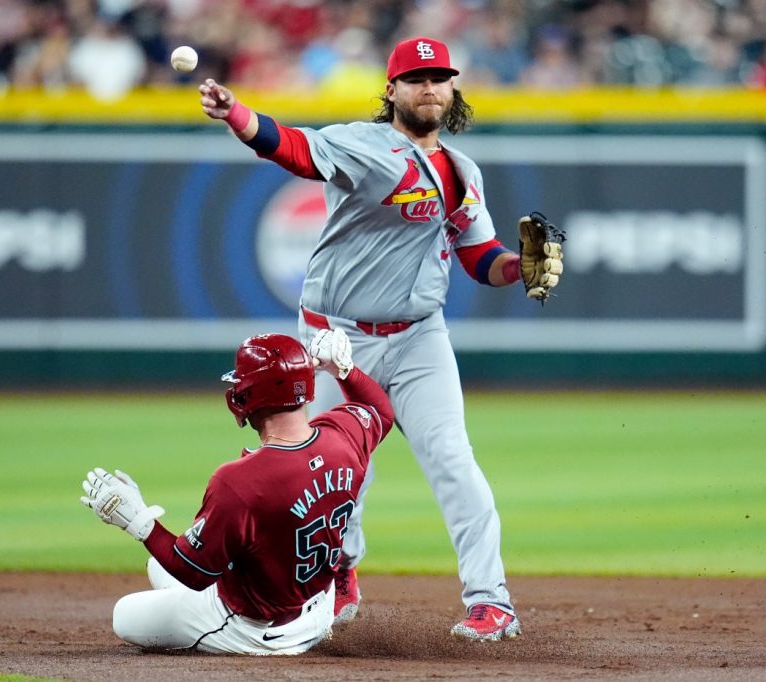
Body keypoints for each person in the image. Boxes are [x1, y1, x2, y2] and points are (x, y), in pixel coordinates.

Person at [197, 36, 562, 641]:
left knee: (451, 457)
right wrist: (237, 114)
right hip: (336, 337)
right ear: (391, 89)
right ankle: (338, 575)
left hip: (421, 336)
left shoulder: (461, 171)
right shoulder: (362, 146)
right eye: (416, 78)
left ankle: (491, 600)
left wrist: (517, 269)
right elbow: (290, 147)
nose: (428, 88)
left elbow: (480, 257)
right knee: (335, 473)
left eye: (439, 77)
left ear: (452, 88)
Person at [80, 329, 394, 655]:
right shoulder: (343, 434)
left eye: (242, 385)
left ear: (256, 394)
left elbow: (193, 572)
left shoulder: (240, 481)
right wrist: (344, 370)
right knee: (157, 567)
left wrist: (140, 522)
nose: (237, 391)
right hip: (318, 605)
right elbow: (380, 410)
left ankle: (245, 636)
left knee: (126, 614)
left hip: (260, 630)